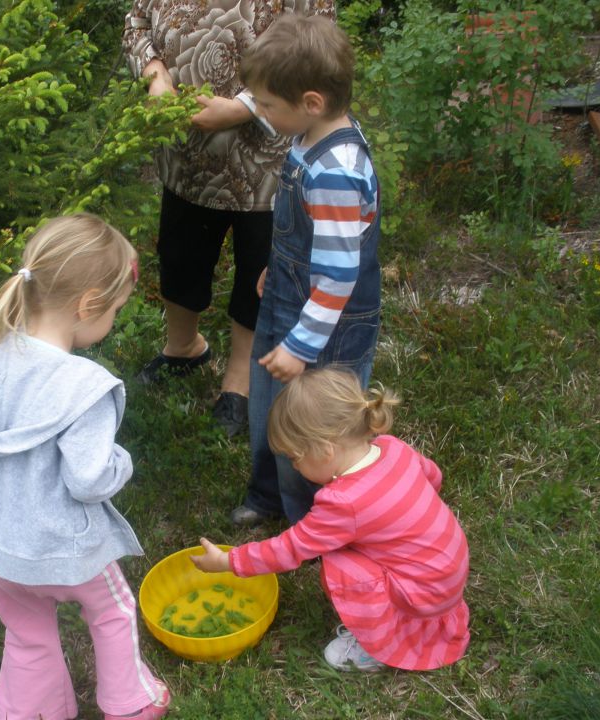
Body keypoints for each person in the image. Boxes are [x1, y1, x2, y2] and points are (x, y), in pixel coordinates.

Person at [0, 214, 169, 720]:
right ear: (88, 304)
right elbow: (89, 478)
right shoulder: (85, 386)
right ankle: (131, 705)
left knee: (26, 637)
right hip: (65, 551)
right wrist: (122, 463)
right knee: (114, 612)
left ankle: (28, 713)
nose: (113, 318)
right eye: (115, 309)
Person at [122, 0, 336, 438]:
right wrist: (156, 75)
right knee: (180, 253)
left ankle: (239, 379)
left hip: (267, 156)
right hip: (183, 148)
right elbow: (136, 20)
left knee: (259, 266)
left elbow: (317, 42)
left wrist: (243, 107)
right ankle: (183, 348)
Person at [192, 368, 471, 672]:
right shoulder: (392, 447)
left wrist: (229, 561)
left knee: (336, 564)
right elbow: (434, 477)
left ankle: (375, 645)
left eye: (295, 458)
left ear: (325, 450)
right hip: (449, 572)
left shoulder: (342, 502)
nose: (295, 467)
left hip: (423, 595)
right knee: (351, 547)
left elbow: (290, 549)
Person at [227, 13, 383, 526]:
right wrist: (279, 268)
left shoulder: (336, 172)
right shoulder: (310, 136)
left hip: (326, 327)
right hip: (290, 297)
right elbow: (307, 233)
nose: (262, 113)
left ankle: (316, 521)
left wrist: (300, 347)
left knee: (311, 422)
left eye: (268, 105)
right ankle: (268, 494)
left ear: (310, 102)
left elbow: (338, 277)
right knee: (269, 406)